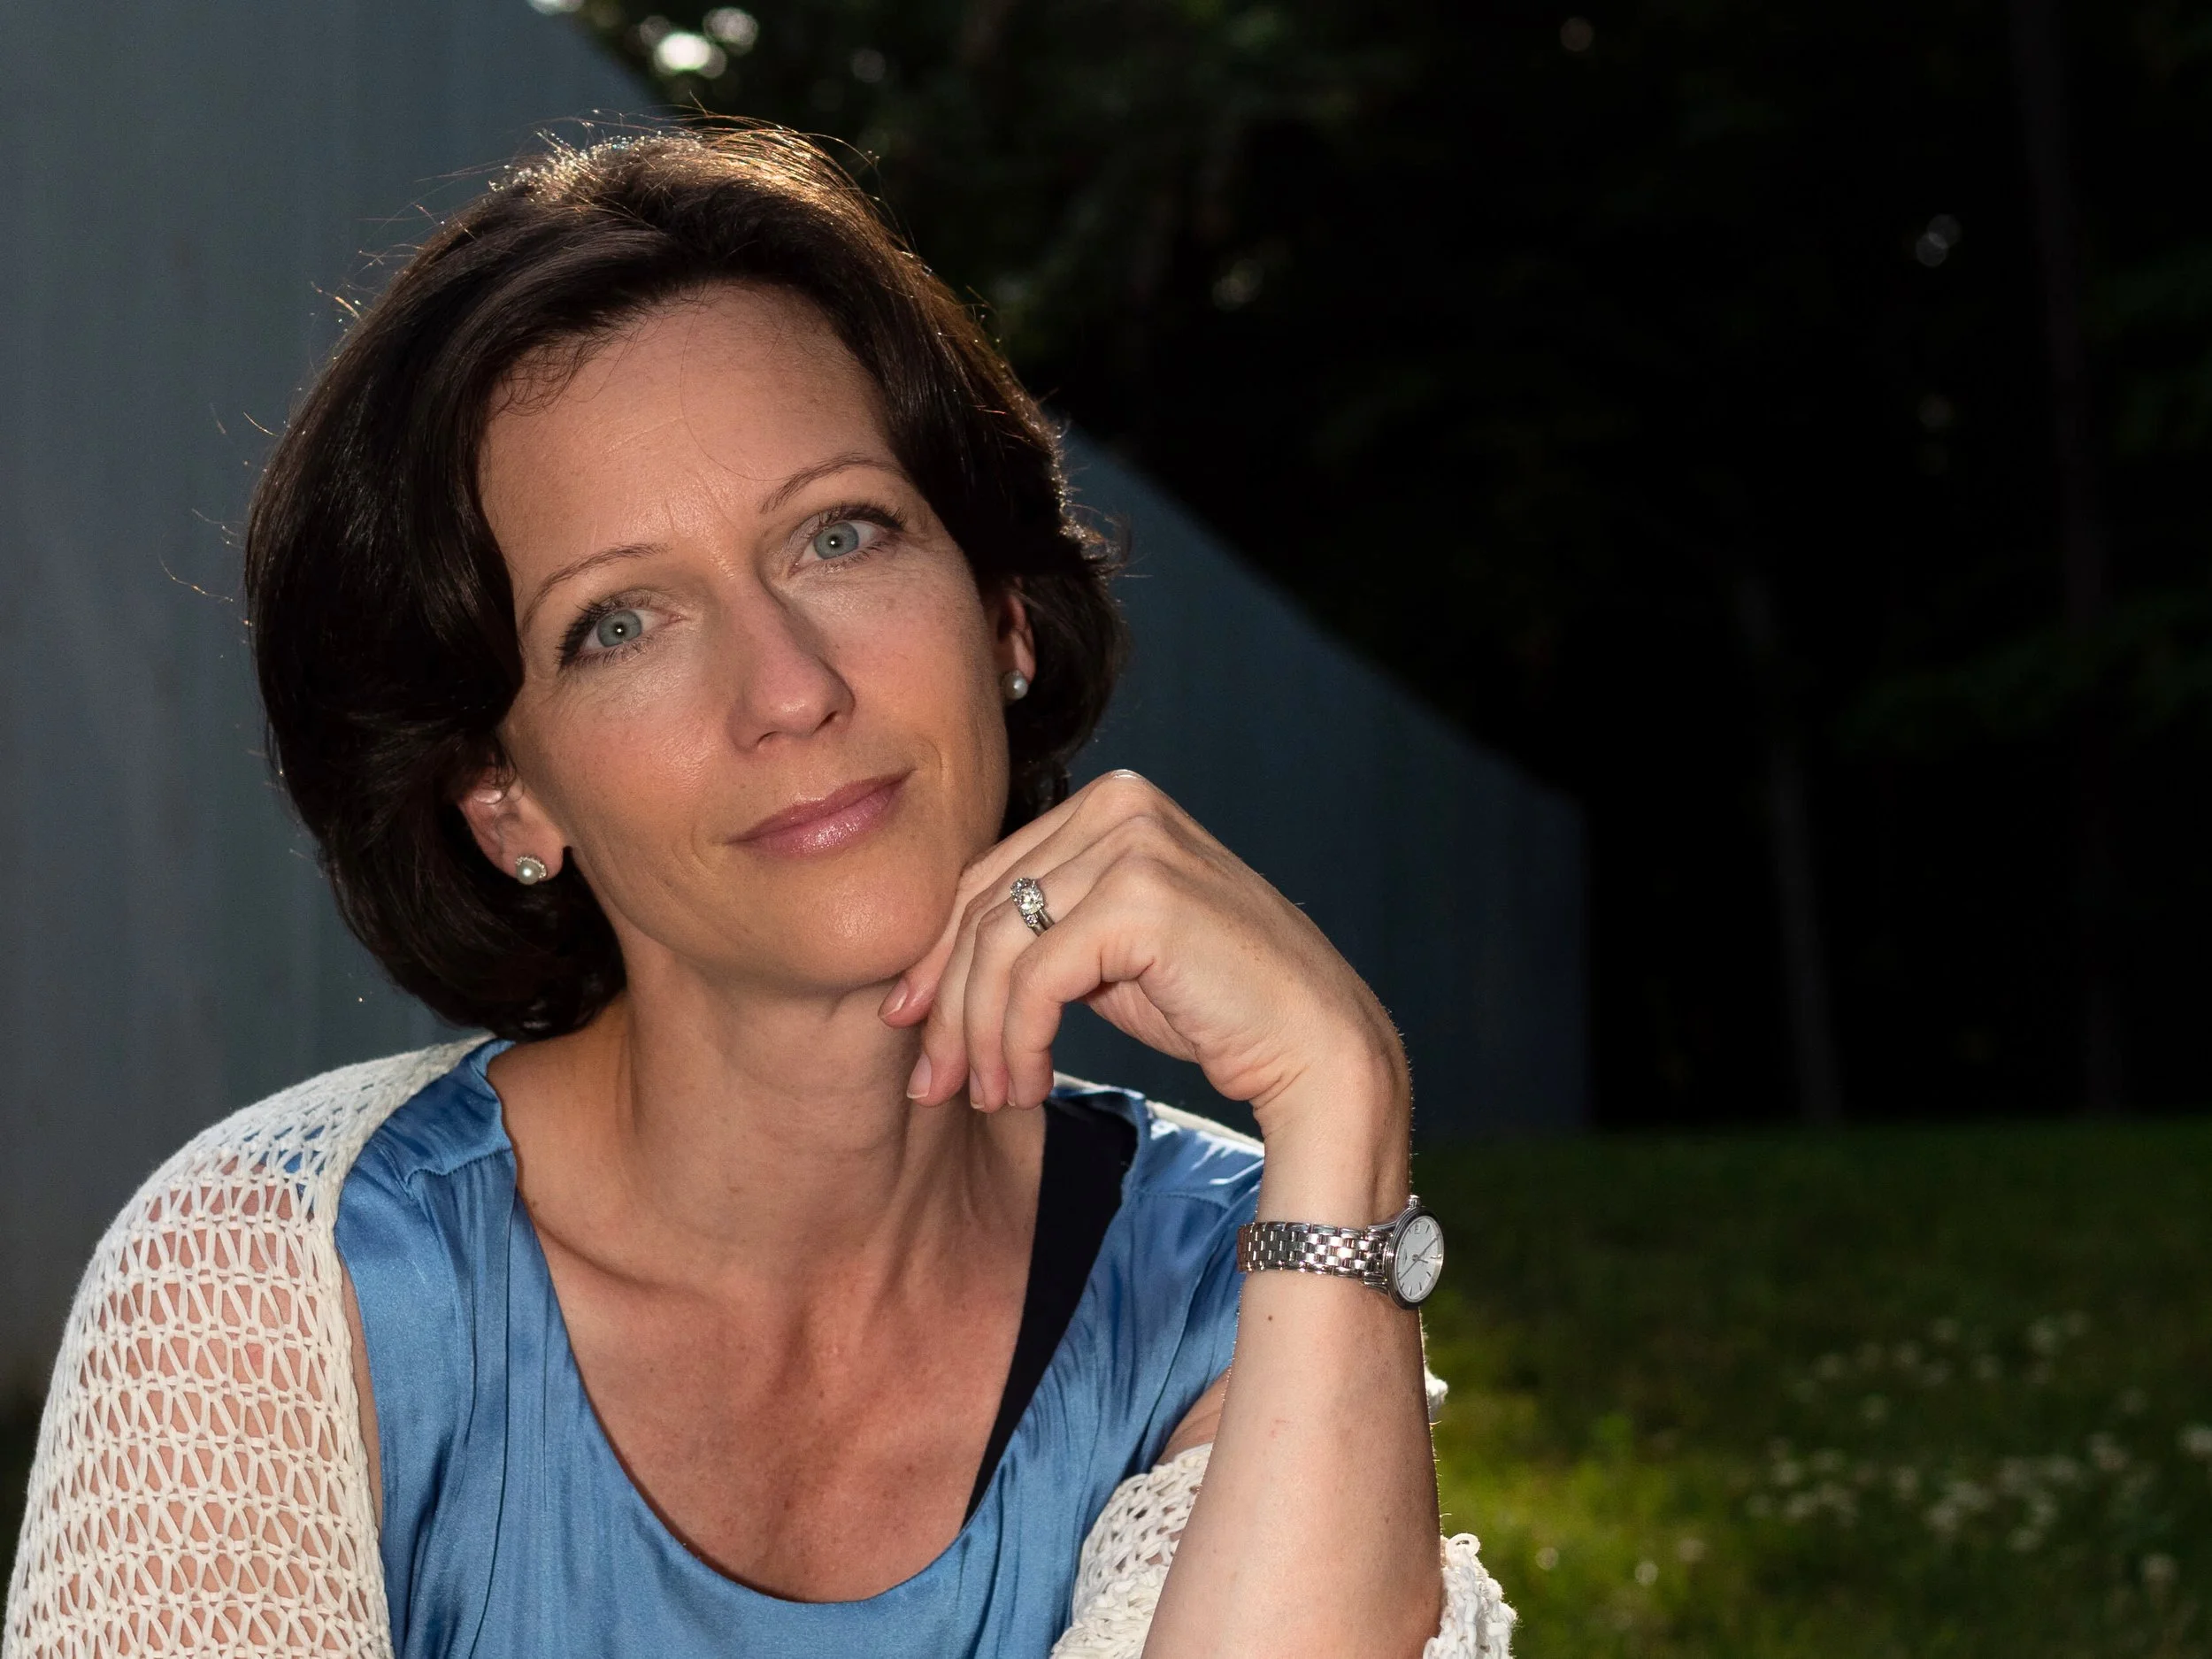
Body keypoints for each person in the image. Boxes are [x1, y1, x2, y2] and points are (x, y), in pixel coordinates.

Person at [3, 128, 1508, 1658]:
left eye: (837, 534)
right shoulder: (274, 1289)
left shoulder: (1233, 1279)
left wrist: (1340, 1095)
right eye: (621, 623)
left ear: (1001, 613)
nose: (788, 690)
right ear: (502, 791)